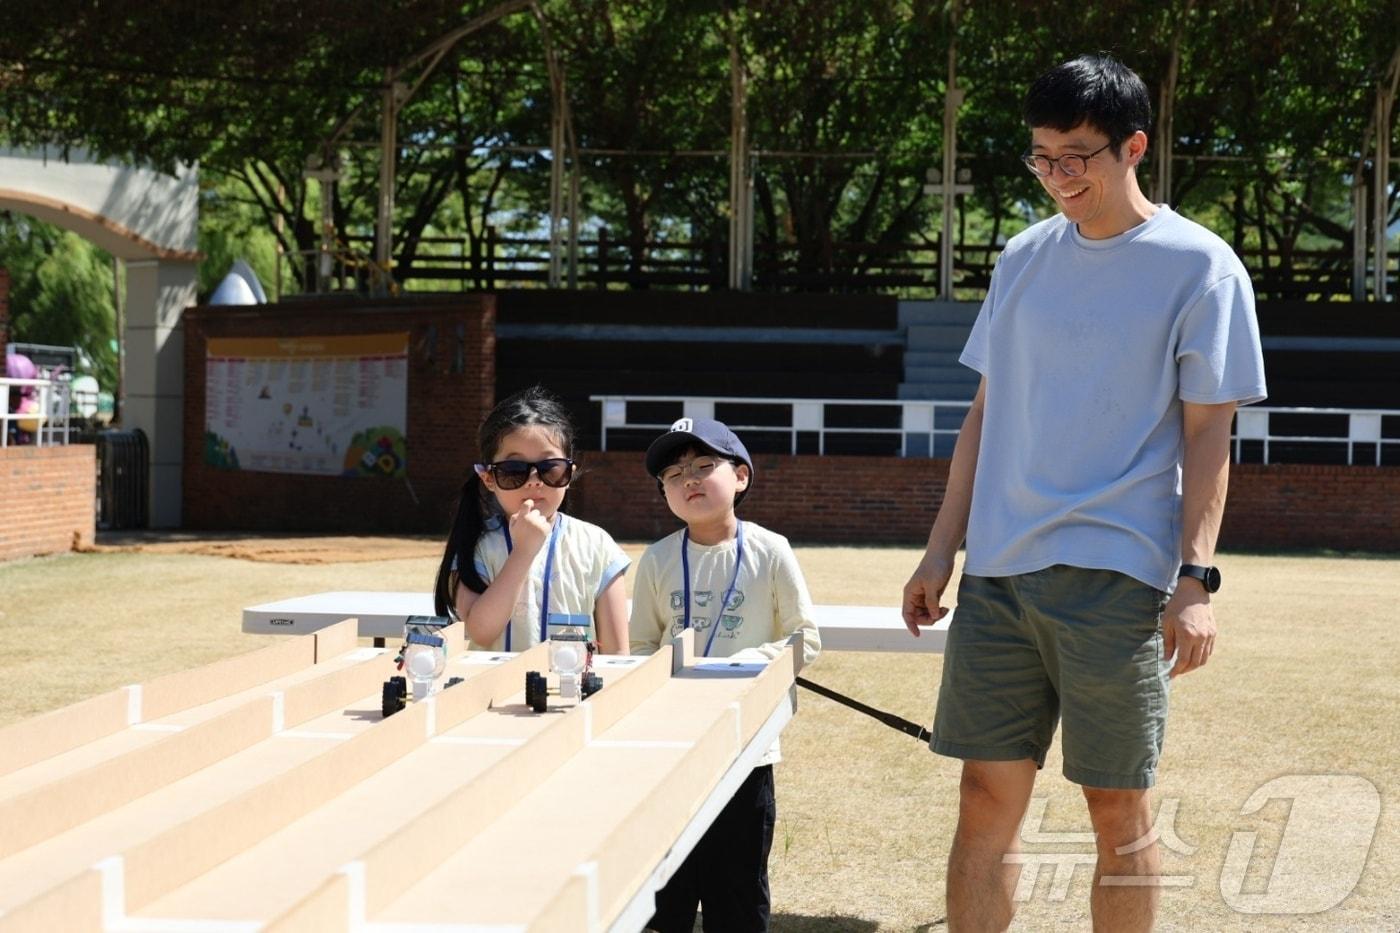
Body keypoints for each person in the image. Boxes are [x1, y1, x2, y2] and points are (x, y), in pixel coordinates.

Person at [901, 54, 1267, 931]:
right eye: (1040, 157)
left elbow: (1209, 432)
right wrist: (941, 546)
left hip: (1118, 575)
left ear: (1132, 146)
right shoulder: (1023, 257)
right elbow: (986, 413)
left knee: (1117, 807)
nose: (1058, 177)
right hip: (1000, 572)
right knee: (983, 794)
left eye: (1077, 157)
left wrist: (1196, 580)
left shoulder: (1200, 266)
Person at [630, 417, 821, 933]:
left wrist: (740, 669)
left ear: (740, 476)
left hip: (747, 752)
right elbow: (642, 648)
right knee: (664, 893)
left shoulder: (770, 549)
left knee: (737, 892)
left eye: (703, 466)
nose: (687, 479)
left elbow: (806, 639)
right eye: (672, 473)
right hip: (671, 752)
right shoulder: (657, 559)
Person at [433, 386, 629, 654]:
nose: (534, 482)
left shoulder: (597, 544)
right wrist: (524, 551)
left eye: (551, 469)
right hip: (493, 694)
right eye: (514, 471)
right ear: (488, 479)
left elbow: (617, 653)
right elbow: (480, 630)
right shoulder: (476, 543)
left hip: (576, 694)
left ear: (569, 475)